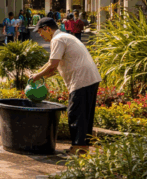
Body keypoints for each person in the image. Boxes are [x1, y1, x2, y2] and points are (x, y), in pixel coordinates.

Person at [30, 17, 101, 156]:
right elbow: (52, 65)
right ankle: (82, 148)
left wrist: (36, 77)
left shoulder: (57, 39)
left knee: (76, 114)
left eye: (40, 32)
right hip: (89, 78)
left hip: (82, 80)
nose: (39, 35)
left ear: (47, 29)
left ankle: (78, 149)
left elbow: (52, 65)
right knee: (84, 115)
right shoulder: (64, 36)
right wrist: (39, 75)